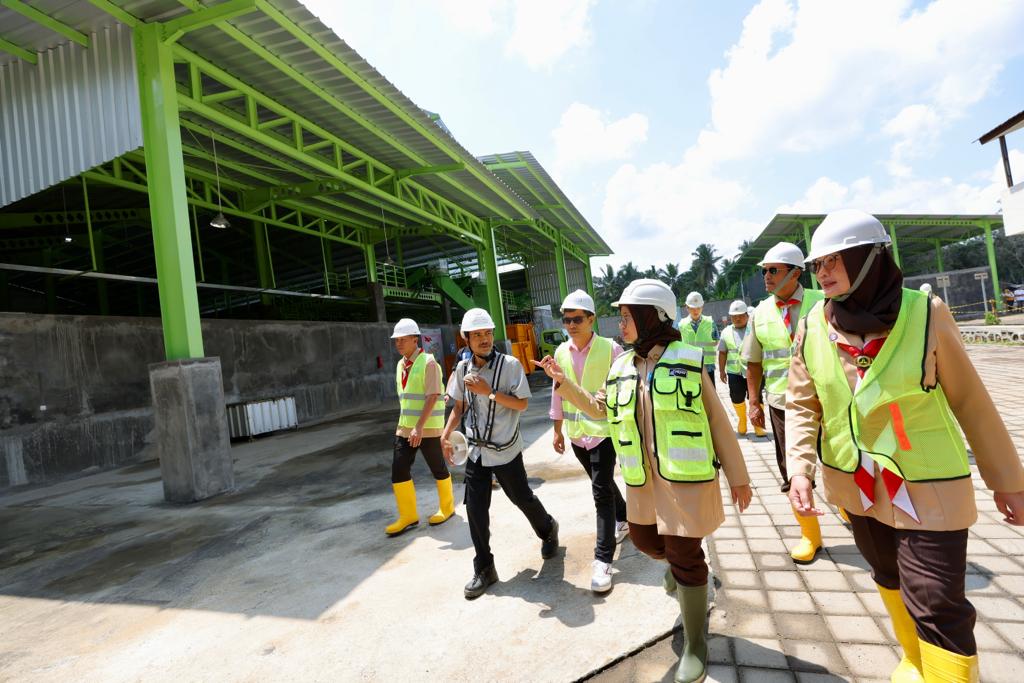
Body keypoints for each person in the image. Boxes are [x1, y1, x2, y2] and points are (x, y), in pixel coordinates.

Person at [787, 209, 1024, 682]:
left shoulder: (925, 312)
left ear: (869, 259)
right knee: (887, 575)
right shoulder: (814, 324)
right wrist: (800, 468)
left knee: (937, 600)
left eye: (835, 260)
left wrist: (1007, 481)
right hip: (856, 486)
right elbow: (802, 402)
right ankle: (914, 660)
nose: (823, 272)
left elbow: (970, 401)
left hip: (929, 486)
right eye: (818, 264)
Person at [534, 279, 751, 683]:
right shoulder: (621, 366)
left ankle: (695, 642)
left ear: (653, 316)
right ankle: (685, 579)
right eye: (621, 316)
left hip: (684, 483)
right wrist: (563, 384)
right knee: (649, 543)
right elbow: (599, 409)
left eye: (628, 316)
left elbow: (718, 421)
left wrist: (739, 477)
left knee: (686, 557)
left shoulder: (687, 359)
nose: (622, 323)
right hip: (642, 484)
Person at [442, 308, 559, 600]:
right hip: (476, 451)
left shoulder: (510, 365)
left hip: (505, 450)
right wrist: (445, 434)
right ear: (466, 338)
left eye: (487, 333)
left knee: (521, 498)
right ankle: (484, 567)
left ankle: (548, 528)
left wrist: (489, 391)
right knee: (475, 509)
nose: (484, 339)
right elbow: (460, 405)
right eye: (477, 335)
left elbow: (521, 405)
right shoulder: (461, 369)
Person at [742, 241, 826, 563]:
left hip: (827, 398)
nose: (766, 276)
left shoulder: (822, 301)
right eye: (764, 271)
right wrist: (753, 402)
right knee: (791, 468)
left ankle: (851, 510)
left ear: (795, 273)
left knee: (840, 458)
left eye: (773, 270)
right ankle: (810, 535)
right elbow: (753, 362)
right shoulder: (760, 313)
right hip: (782, 402)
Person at [549, 289, 629, 593]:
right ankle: (623, 520)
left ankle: (603, 559)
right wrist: (557, 430)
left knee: (599, 492)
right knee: (603, 484)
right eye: (566, 319)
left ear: (591, 318)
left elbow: (622, 392)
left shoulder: (611, 350)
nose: (571, 324)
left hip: (604, 433)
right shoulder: (559, 352)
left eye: (577, 319)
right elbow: (559, 392)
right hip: (576, 436)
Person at [385, 318, 454, 536]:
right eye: (396, 340)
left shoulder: (428, 362)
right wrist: (410, 427)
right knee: (398, 469)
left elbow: (433, 396)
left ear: (415, 339)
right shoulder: (400, 365)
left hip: (428, 428)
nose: (398, 343)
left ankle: (447, 507)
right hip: (405, 427)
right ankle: (408, 516)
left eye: (403, 339)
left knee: (437, 468)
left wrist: (420, 427)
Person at [717, 300, 764, 437]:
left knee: (756, 397)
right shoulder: (725, 332)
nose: (737, 318)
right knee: (736, 397)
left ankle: (758, 425)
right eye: (733, 316)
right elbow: (722, 353)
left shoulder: (755, 329)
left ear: (747, 315)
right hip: (734, 372)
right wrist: (721, 370)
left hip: (754, 371)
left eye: (740, 315)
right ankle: (742, 420)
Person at [680, 291, 718, 386]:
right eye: (692, 308)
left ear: (702, 307)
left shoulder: (710, 323)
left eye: (698, 308)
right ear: (687, 307)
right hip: (689, 366)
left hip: (708, 365)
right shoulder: (681, 325)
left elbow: (716, 341)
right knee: (691, 394)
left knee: (710, 396)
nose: (696, 311)